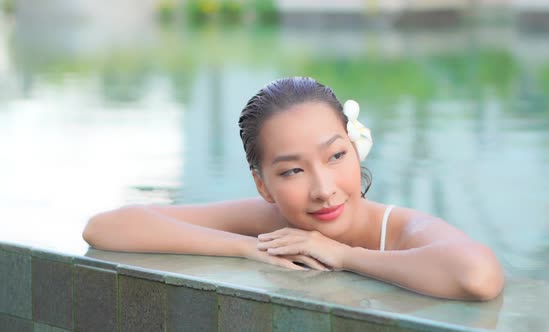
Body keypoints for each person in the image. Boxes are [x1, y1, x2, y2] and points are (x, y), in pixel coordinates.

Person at [83, 77, 504, 300]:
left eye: (336, 156)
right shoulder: (268, 221)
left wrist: (344, 257)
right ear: (262, 184)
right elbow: (104, 228)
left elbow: (478, 276)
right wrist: (249, 247)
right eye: (292, 172)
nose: (323, 189)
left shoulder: (399, 229)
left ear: (356, 149)